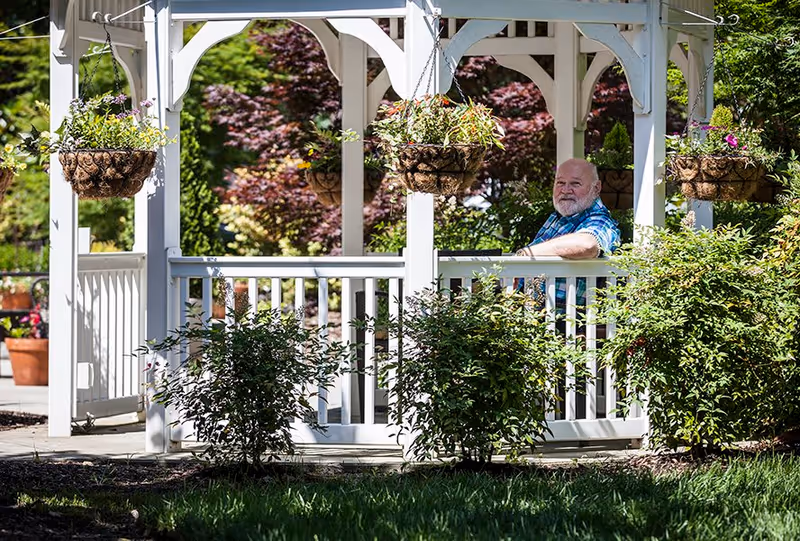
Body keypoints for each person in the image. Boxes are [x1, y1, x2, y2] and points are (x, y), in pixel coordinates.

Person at [515, 158, 621, 305]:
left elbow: (587, 244)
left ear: (596, 188)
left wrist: (526, 254)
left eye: (575, 183)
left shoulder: (600, 220)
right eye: (560, 183)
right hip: (530, 311)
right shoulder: (558, 217)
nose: (565, 190)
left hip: (560, 320)